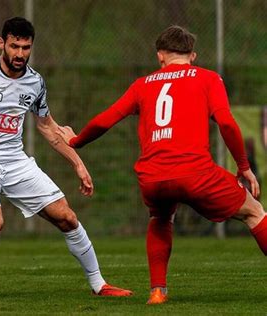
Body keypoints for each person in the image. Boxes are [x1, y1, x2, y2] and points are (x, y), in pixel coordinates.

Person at [0, 16, 133, 297]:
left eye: (26, 48)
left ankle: (99, 285)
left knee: (67, 217)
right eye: (14, 46)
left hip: (15, 161)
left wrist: (78, 164)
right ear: (2, 43)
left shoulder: (35, 82)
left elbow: (48, 127)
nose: (20, 54)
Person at [57, 25, 267, 305]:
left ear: (160, 56)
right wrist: (243, 166)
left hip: (153, 177)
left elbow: (106, 119)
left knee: (160, 218)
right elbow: (227, 122)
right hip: (195, 173)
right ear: (192, 55)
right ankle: (158, 289)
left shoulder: (142, 84)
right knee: (254, 212)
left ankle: (157, 291)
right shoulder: (207, 78)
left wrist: (76, 141)